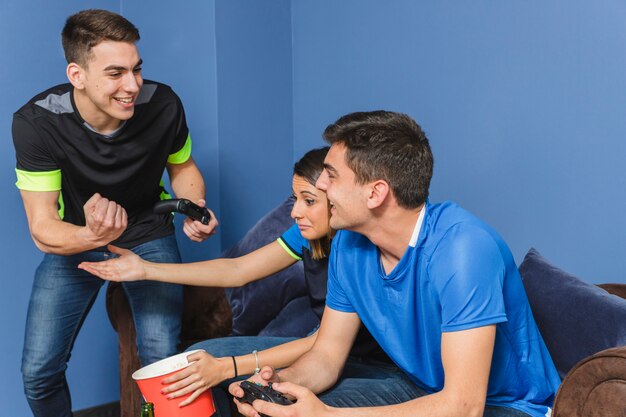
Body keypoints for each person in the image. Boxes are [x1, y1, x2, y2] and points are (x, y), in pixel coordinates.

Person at [229, 111, 562, 417]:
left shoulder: (464, 249)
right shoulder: (349, 242)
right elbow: (326, 357)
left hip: (509, 406)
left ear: (376, 194)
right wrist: (279, 385)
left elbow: (463, 406)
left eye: (331, 175)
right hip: (424, 389)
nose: (320, 185)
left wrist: (327, 416)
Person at [12, 9, 218, 417]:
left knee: (162, 363)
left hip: (148, 234)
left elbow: (183, 168)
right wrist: (93, 236)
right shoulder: (38, 122)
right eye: (115, 74)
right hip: (75, 241)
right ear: (77, 75)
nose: (132, 86)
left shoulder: (162, 104)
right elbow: (42, 229)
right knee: (38, 373)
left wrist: (194, 207)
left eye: (137, 70)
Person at [79, 146, 392, 412]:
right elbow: (237, 270)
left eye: (308, 201)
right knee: (198, 356)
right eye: (295, 198)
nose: (295, 211)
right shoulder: (309, 234)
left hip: (360, 361)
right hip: (324, 348)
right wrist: (144, 269)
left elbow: (320, 345)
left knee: (236, 376)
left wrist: (228, 366)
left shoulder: (361, 249)